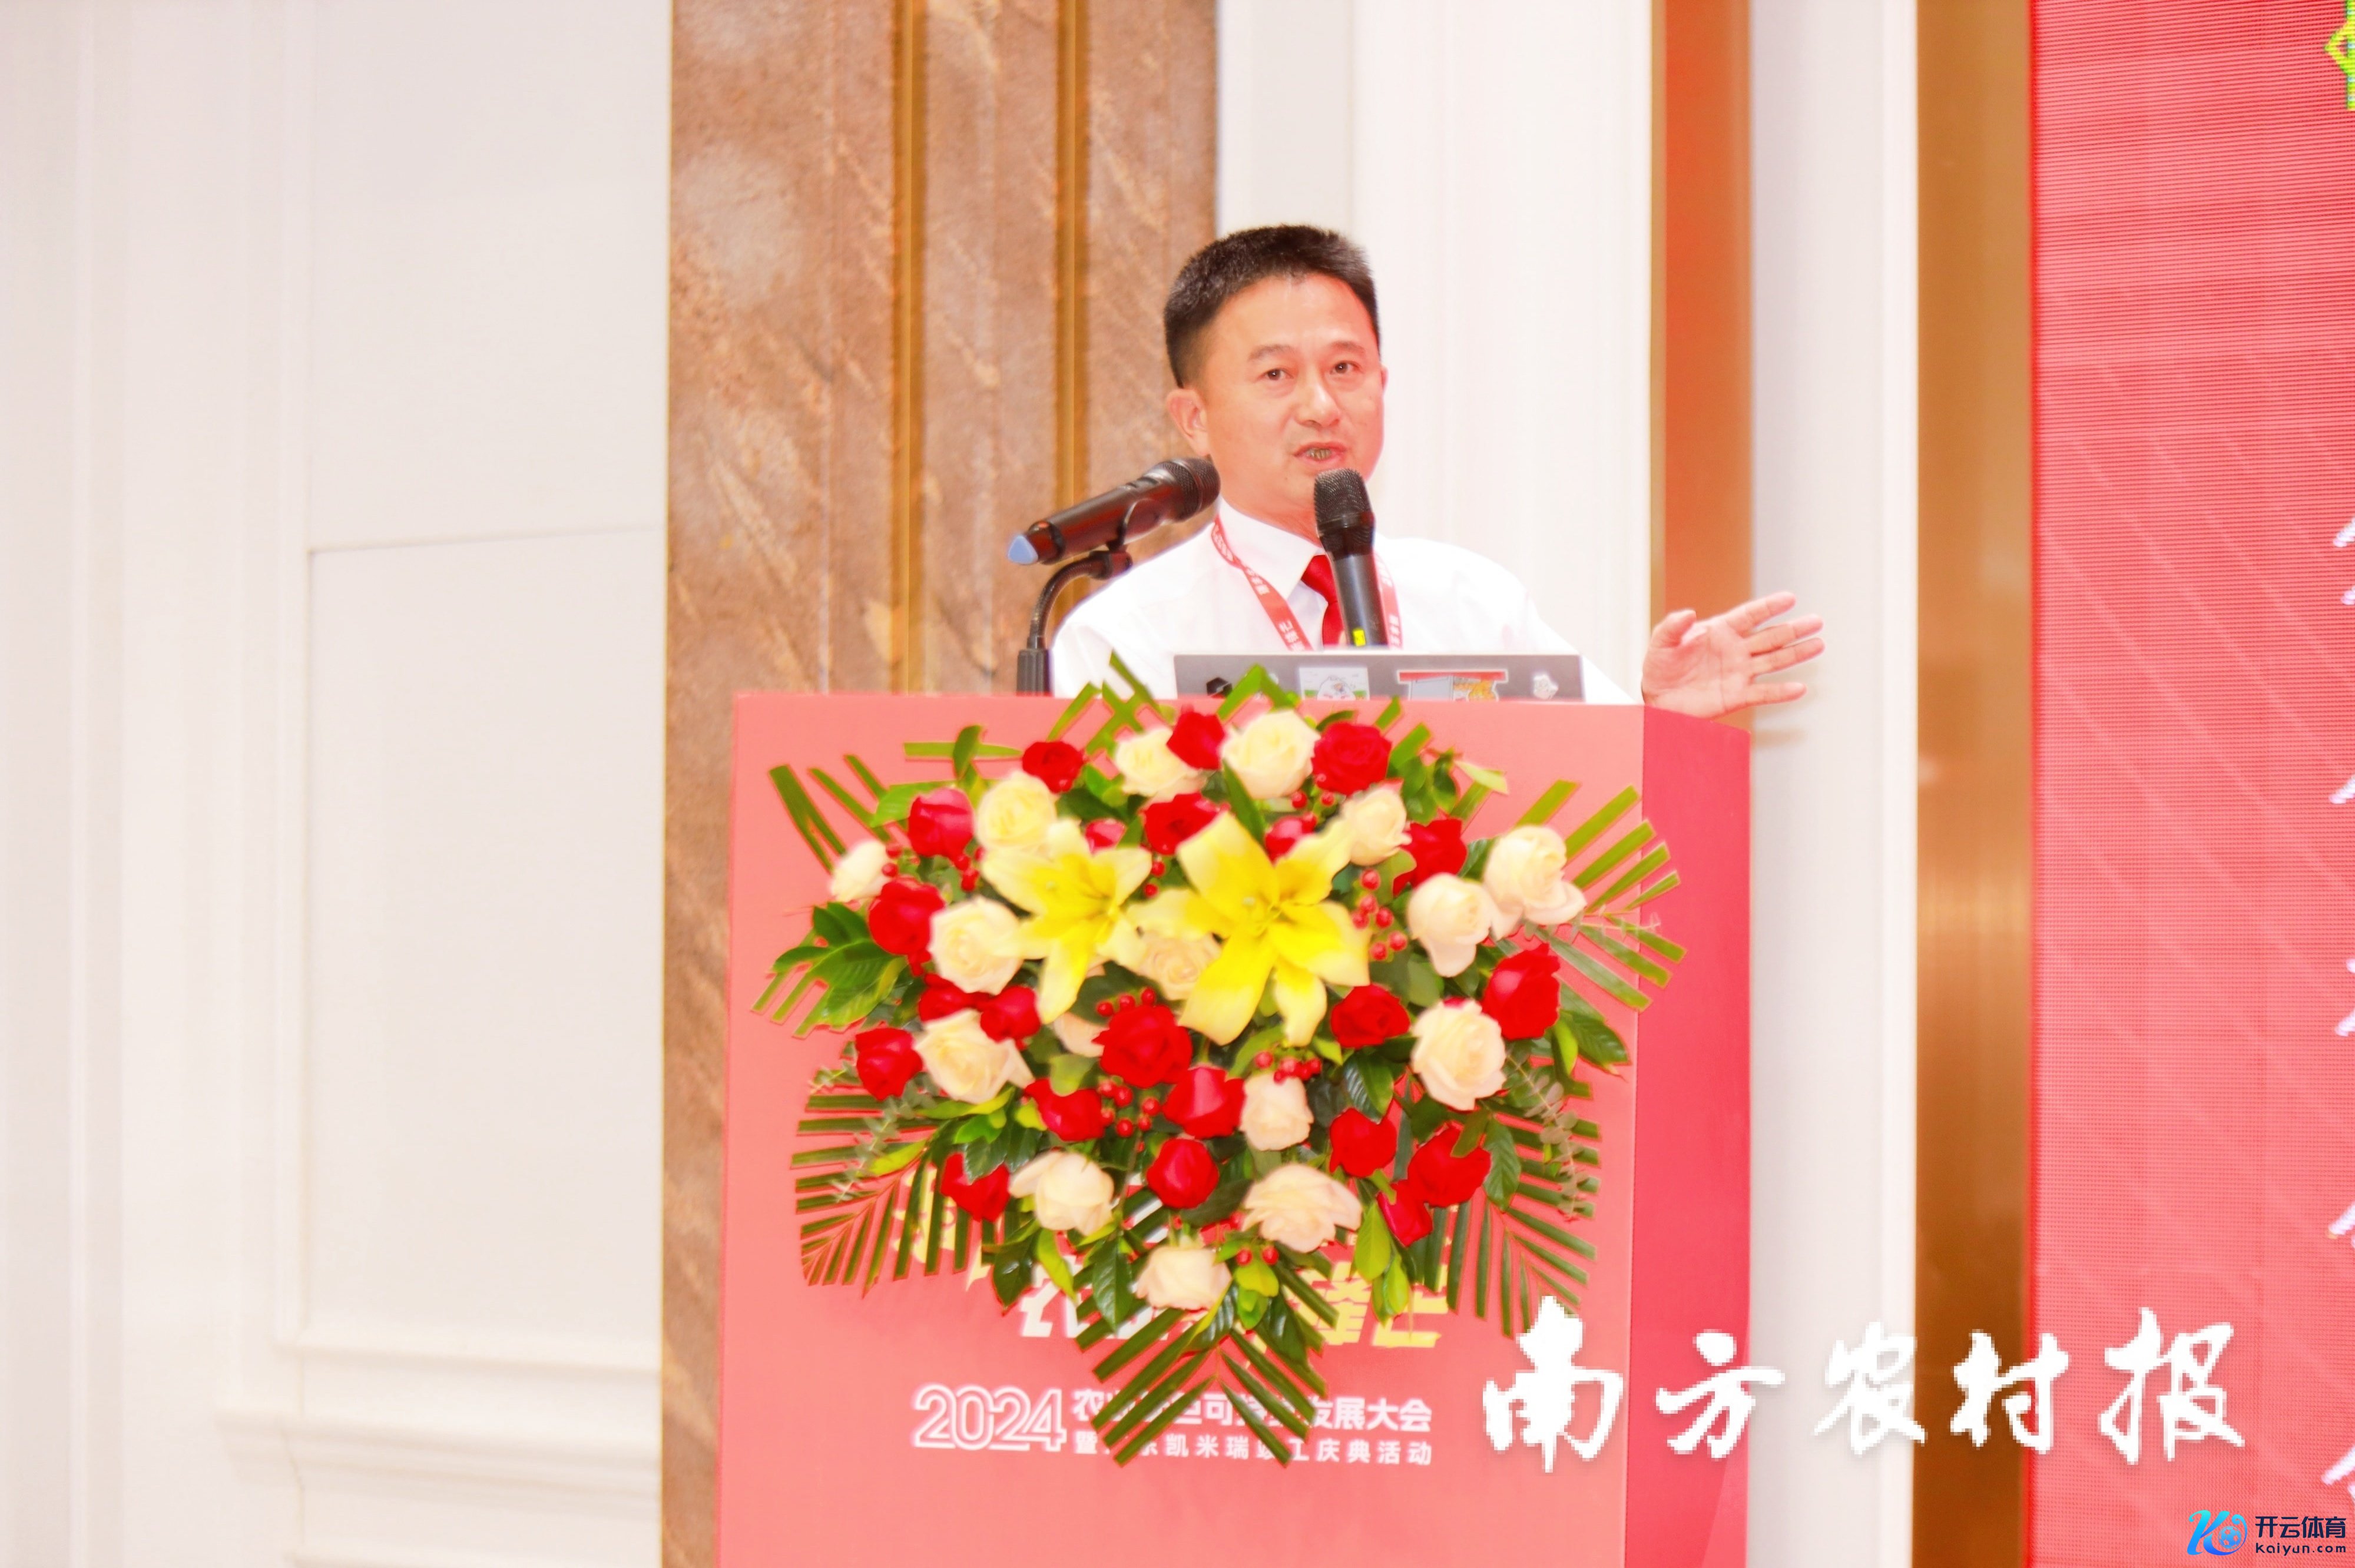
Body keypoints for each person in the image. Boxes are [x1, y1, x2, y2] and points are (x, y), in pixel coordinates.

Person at [1049, 225, 1823, 718]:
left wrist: (1658, 717)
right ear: (1194, 417)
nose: (1321, 406)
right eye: (1277, 375)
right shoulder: (1127, 638)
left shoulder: (1471, 601)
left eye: (1346, 368)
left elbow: (1595, 792)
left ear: (1382, 384)